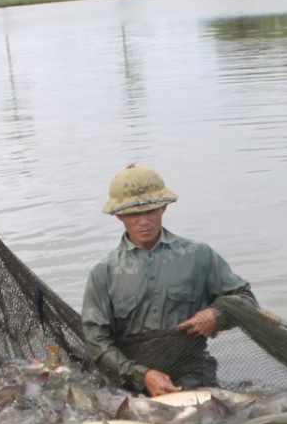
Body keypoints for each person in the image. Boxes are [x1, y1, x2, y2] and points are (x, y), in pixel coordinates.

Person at [80, 164, 256, 396]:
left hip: (192, 372)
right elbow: (96, 343)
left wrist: (217, 315)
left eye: (150, 211)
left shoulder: (197, 255)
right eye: (133, 213)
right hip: (128, 381)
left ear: (163, 208)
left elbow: (248, 301)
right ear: (119, 215)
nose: (143, 221)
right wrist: (142, 376)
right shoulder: (104, 272)